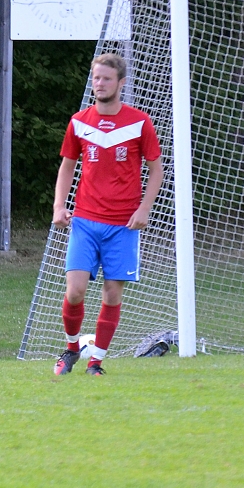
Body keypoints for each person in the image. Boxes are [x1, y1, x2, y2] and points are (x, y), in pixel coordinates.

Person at [51, 53, 163, 376]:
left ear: (121, 83)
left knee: (112, 294)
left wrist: (144, 208)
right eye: (96, 78)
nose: (100, 84)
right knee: (74, 290)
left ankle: (96, 361)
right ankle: (72, 349)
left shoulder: (139, 122)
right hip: (85, 221)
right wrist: (59, 205)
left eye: (107, 79)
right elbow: (67, 166)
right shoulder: (79, 122)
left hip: (123, 225)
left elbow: (156, 171)